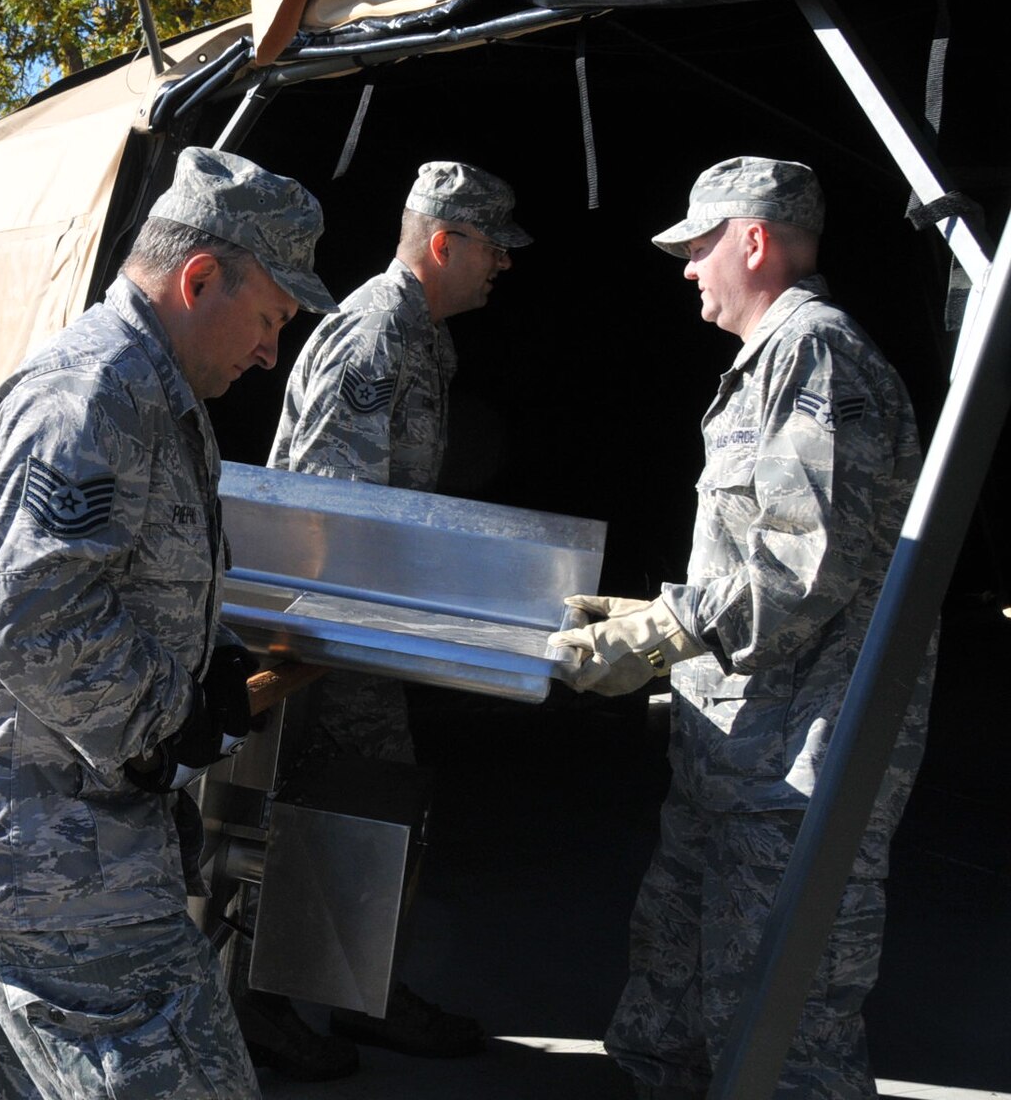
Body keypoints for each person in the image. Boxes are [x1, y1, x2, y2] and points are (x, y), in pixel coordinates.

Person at [0, 147, 336, 1100]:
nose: (270, 352)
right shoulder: (91, 394)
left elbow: (112, 585)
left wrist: (205, 668)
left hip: (66, 844)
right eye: (269, 319)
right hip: (45, 858)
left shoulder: (152, 392)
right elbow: (23, 607)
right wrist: (167, 721)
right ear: (199, 276)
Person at [546, 157, 931, 1100]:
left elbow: (805, 564)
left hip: (796, 772)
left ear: (753, 241)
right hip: (734, 759)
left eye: (698, 245)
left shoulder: (817, 355)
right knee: (670, 998)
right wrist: (653, 617)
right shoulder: (771, 363)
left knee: (781, 1030)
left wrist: (662, 631)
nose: (686, 268)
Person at [253, 160, 529, 1070]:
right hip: (334, 634)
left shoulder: (420, 336)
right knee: (330, 806)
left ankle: (349, 990)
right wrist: (342, 647)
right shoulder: (377, 335)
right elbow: (334, 515)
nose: (503, 267)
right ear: (445, 242)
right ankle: (277, 1007)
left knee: (359, 809)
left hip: (361, 631)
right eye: (492, 249)